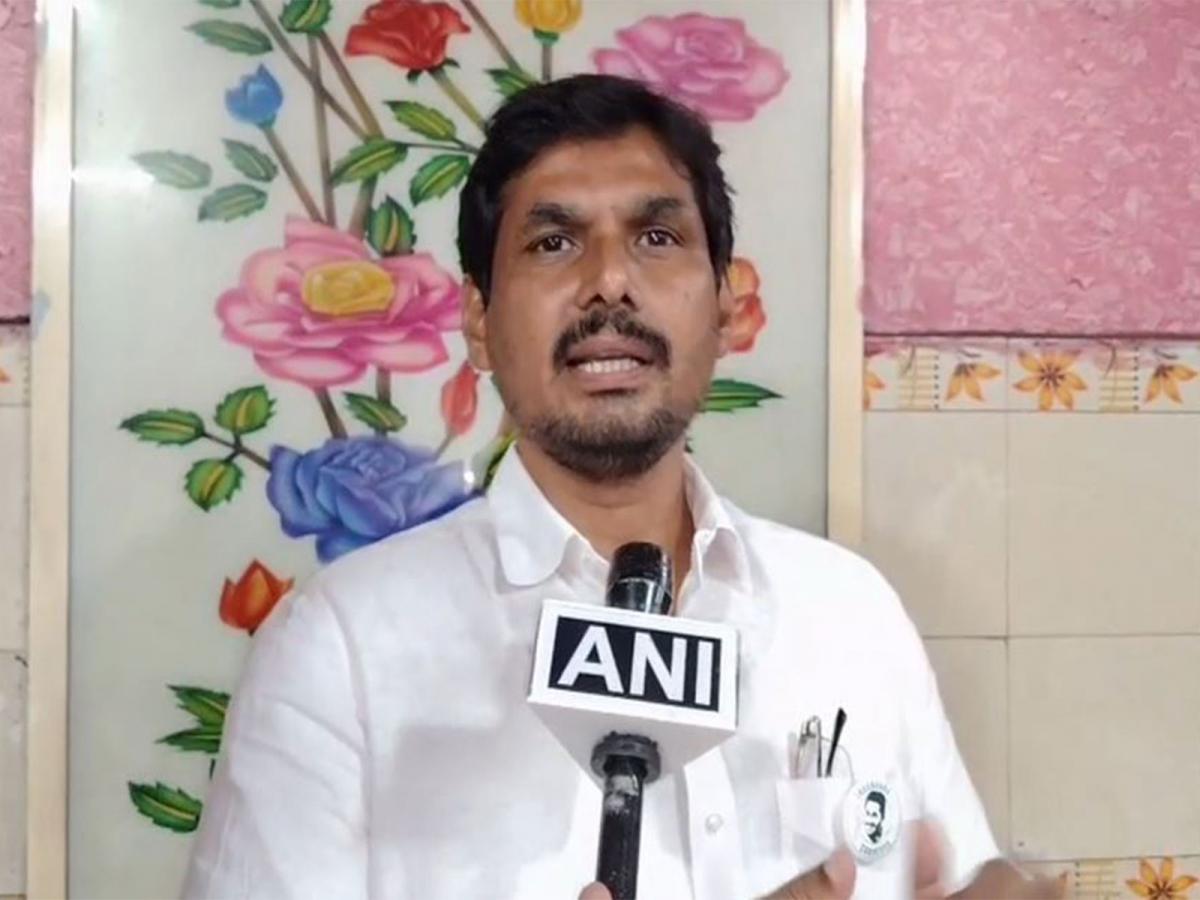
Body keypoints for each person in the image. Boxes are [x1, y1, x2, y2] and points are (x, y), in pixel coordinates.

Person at [182, 74, 1064, 899]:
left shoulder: (852, 612)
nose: (609, 280)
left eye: (657, 237)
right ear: (479, 322)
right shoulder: (339, 648)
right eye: (554, 242)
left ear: (724, 306)